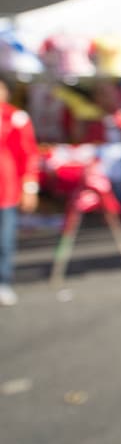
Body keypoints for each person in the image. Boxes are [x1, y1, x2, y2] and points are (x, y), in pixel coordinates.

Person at [0, 79, 38, 306]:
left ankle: (2, 281)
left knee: (4, 239)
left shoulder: (15, 117)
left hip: (6, 190)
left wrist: (29, 187)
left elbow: (28, 154)